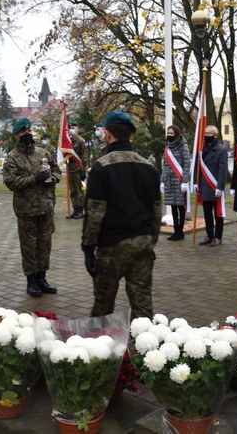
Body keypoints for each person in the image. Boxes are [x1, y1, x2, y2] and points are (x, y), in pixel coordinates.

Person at [81, 111, 161, 320]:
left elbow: (94, 213)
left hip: (111, 248)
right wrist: (151, 239)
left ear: (108, 134)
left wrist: (88, 248)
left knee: (102, 308)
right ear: (130, 136)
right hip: (142, 244)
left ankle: (100, 348)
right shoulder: (148, 167)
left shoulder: (101, 167)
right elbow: (156, 210)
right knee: (143, 308)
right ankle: (145, 347)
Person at [3, 118, 62, 297]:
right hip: (26, 210)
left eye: (29, 131)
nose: (28, 134)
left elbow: (57, 171)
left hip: (45, 207)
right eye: (24, 132)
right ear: (16, 135)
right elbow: (11, 182)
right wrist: (34, 179)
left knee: (44, 245)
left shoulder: (43, 153)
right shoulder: (12, 157)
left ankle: (42, 278)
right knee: (29, 247)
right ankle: (31, 281)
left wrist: (51, 179)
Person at [193, 125, 228, 247]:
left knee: (218, 213)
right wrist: (194, 182)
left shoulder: (221, 150)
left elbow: (223, 170)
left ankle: (218, 237)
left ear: (216, 135)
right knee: (207, 213)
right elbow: (196, 168)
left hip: (215, 186)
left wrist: (220, 187)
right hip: (204, 186)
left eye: (210, 133)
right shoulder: (200, 149)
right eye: (205, 133)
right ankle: (209, 235)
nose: (206, 135)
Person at [161, 125, 190, 241]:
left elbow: (187, 164)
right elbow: (165, 165)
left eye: (172, 133)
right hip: (168, 180)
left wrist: (184, 181)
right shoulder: (167, 147)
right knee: (173, 206)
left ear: (177, 134)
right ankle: (175, 231)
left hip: (179, 180)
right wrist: (162, 181)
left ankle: (180, 232)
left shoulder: (183, 146)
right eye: (168, 133)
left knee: (180, 206)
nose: (169, 135)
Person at [66, 121, 87, 219]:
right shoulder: (68, 142)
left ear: (77, 129)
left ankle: (80, 210)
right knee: (73, 190)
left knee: (79, 191)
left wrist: (84, 170)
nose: (71, 130)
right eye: (70, 128)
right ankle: (75, 209)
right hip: (70, 168)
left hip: (78, 168)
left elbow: (84, 156)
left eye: (73, 128)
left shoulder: (80, 141)